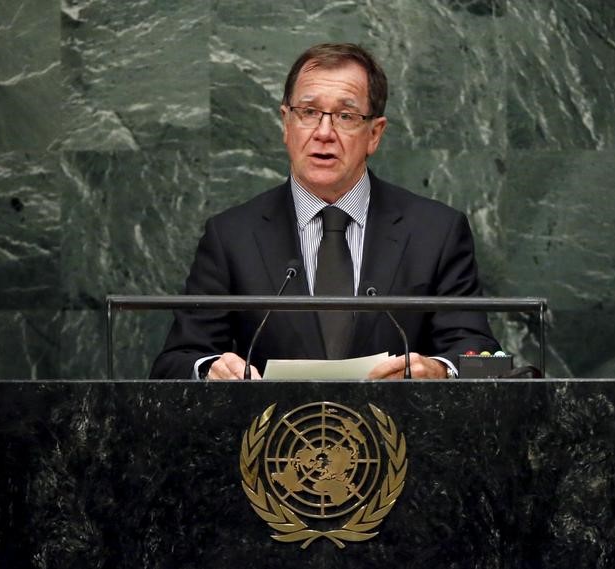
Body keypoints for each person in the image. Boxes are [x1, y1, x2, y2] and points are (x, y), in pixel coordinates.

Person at [150, 42, 500, 380]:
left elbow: (479, 355)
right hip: (274, 436)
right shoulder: (231, 236)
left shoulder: (435, 232)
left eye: (345, 116)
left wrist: (439, 370)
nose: (323, 133)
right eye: (308, 112)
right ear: (286, 123)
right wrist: (210, 369)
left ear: (374, 134)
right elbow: (177, 361)